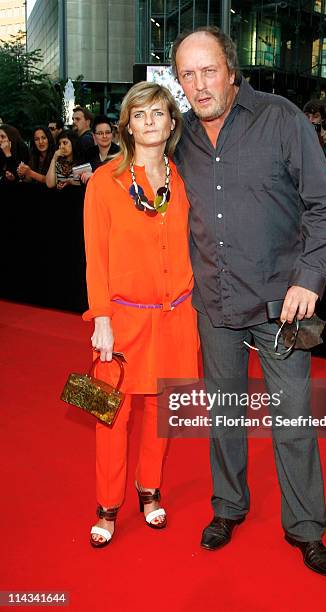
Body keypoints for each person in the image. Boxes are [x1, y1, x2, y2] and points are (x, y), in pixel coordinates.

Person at [172, 26, 326, 577]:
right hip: (215, 305)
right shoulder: (183, 139)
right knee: (224, 415)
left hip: (281, 307)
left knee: (292, 421)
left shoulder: (281, 119)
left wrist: (308, 279)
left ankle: (306, 530)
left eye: (208, 70)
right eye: (187, 75)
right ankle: (228, 507)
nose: (199, 85)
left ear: (231, 68)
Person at [83, 81, 199, 548]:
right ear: (127, 125)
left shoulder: (183, 176)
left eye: (158, 113)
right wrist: (101, 320)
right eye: (139, 114)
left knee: (162, 411)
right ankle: (107, 506)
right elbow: (95, 257)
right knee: (109, 416)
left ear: (172, 123)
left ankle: (148, 488)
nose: (149, 121)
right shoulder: (103, 182)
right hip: (122, 319)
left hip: (177, 315)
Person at [81, 115, 120, 183]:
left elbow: (120, 179)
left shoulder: (119, 153)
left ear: (111, 134)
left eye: (107, 132)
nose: (104, 136)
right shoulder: (89, 153)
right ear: (94, 136)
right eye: (100, 133)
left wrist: (95, 176)